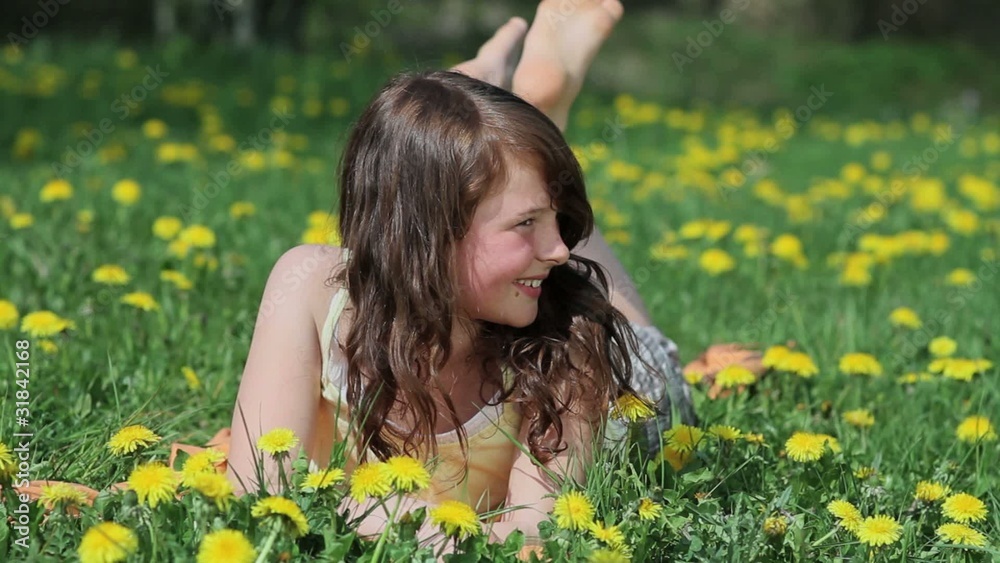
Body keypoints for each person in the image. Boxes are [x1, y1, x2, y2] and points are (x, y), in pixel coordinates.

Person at [224, 0, 716, 544]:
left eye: (556, 221)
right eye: (525, 223)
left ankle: (531, 111)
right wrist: (424, 528)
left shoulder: (571, 347)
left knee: (626, 330)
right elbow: (259, 488)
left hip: (631, 391)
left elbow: (536, 533)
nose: (559, 249)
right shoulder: (309, 289)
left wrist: (396, 524)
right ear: (428, 233)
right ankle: (505, 105)